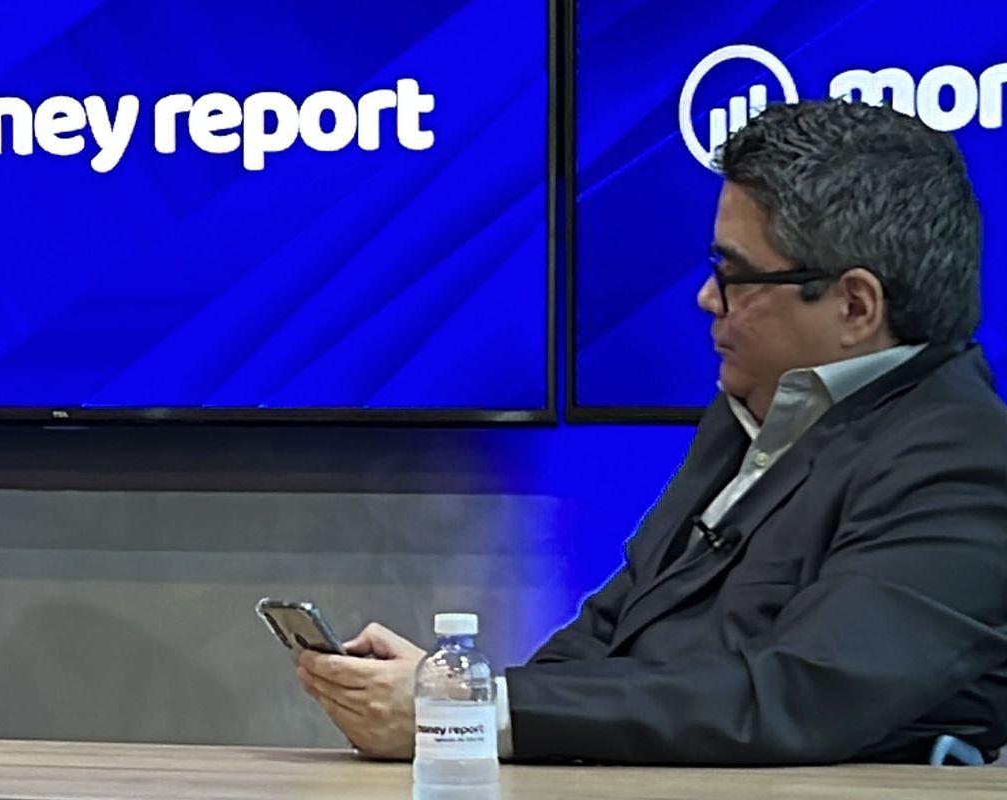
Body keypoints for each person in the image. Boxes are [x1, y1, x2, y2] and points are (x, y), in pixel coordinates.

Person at [295, 99, 1007, 764]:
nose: (706, 298)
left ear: (854, 306)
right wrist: (456, 699)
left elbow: (796, 697)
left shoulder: (966, 463)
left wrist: (473, 712)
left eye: (735, 276)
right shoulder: (748, 415)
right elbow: (607, 633)